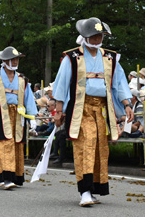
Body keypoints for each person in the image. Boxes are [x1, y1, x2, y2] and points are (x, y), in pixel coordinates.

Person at [53, 17, 133, 206]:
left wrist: (126, 105)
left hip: (103, 110)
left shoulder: (111, 57)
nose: (98, 40)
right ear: (85, 37)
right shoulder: (72, 57)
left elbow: (119, 83)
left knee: (100, 148)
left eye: (100, 36)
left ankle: (95, 187)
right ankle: (85, 190)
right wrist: (58, 110)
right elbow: (62, 84)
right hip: (82, 109)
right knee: (85, 146)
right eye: (94, 36)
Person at [0, 46, 38, 190]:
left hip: (18, 115)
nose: (15, 61)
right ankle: (6, 177)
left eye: (16, 59)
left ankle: (14, 176)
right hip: (1, 114)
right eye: (12, 59)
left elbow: (28, 98)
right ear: (5, 61)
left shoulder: (23, 79)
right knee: (4, 144)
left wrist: (32, 117)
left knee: (16, 144)